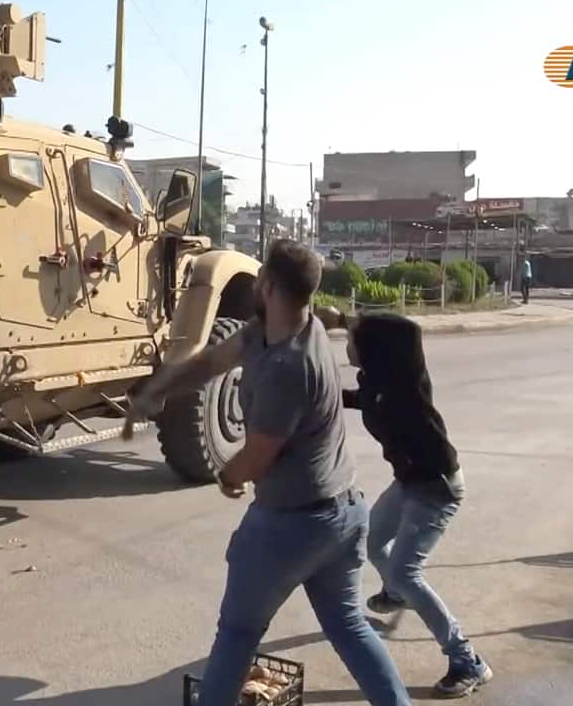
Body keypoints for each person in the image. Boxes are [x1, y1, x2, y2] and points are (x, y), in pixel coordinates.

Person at [128, 240, 411, 706]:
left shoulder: (288, 368)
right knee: (347, 625)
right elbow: (211, 362)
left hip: (294, 524)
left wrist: (228, 475)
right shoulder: (289, 328)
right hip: (343, 515)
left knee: (237, 634)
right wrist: (156, 391)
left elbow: (258, 457)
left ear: (268, 285)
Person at [341, 312, 493, 698]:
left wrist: (347, 316)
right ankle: (395, 593)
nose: (347, 345)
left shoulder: (406, 383)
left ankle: (467, 661)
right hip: (409, 482)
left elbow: (409, 330)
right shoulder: (377, 385)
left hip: (437, 487)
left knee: (408, 571)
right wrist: (326, 393)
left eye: (353, 339)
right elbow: (362, 400)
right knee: (372, 541)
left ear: (374, 348)